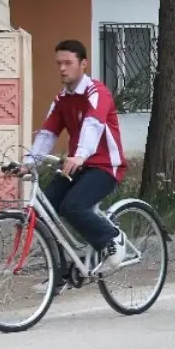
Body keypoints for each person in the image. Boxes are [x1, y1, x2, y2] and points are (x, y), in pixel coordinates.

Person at [19, 39, 127, 291]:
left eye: (68, 63)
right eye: (59, 64)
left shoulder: (97, 93)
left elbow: (93, 125)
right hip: (76, 165)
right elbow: (47, 134)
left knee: (72, 206)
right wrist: (28, 164)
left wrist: (79, 155)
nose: (62, 69)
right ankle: (61, 274)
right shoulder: (61, 100)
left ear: (83, 64)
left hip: (104, 166)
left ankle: (112, 238)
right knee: (44, 210)